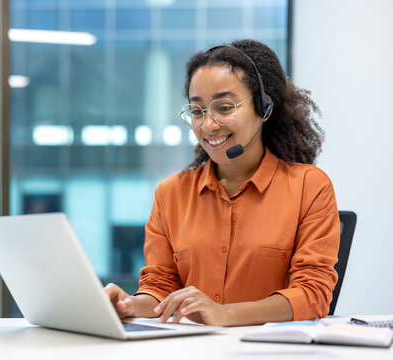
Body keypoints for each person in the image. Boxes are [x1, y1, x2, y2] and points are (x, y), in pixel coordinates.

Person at [104, 39, 340, 327]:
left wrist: (223, 314)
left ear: (264, 108)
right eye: (197, 110)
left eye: (224, 107)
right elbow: (160, 287)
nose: (208, 125)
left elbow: (312, 295)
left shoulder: (309, 187)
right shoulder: (171, 194)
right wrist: (128, 305)